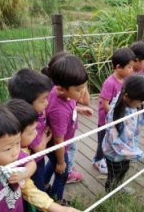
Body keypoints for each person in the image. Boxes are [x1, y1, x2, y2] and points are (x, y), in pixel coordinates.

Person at [6, 99, 81, 212]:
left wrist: (25, 172)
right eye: (31, 132)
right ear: (16, 135)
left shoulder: (19, 151)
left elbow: (30, 164)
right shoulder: (13, 156)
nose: (36, 133)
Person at [44, 55, 93, 204]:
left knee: (52, 164)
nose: (83, 91)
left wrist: (79, 109)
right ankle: (56, 201)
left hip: (61, 142)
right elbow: (58, 140)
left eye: (84, 86)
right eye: (79, 89)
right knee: (62, 174)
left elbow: (70, 106)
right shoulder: (59, 111)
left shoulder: (64, 93)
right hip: (59, 146)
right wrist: (61, 162)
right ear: (61, 89)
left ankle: (43, 184)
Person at [8, 68, 53, 196]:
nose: (47, 102)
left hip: (35, 160)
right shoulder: (30, 123)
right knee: (35, 190)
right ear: (27, 104)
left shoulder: (37, 112)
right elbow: (39, 148)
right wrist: (45, 136)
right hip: (32, 161)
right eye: (43, 99)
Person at [94, 47, 136, 174]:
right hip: (106, 120)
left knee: (113, 140)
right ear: (118, 67)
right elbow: (104, 103)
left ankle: (111, 158)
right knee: (103, 140)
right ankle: (98, 160)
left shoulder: (126, 80)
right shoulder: (109, 83)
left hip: (119, 118)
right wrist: (113, 117)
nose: (132, 70)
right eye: (129, 67)